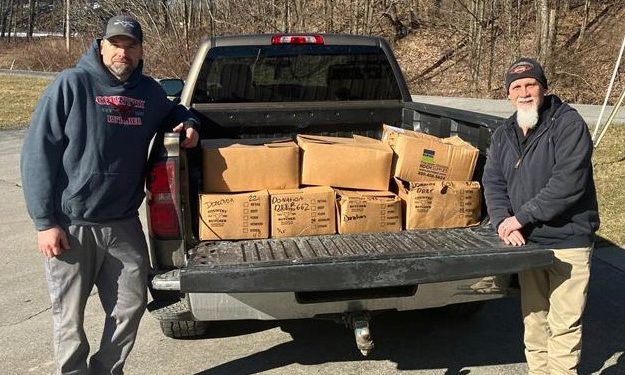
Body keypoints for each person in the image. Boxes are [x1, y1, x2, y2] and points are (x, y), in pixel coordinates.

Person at [20, 15, 199, 374]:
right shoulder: (71, 84)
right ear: (100, 45)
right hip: (71, 226)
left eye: (130, 45)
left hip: (122, 223)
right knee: (69, 318)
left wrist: (189, 123)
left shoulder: (147, 92)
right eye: (115, 44)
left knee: (130, 306)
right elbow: (38, 152)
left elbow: (175, 110)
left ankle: (106, 370)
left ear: (140, 50)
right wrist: (44, 222)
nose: (123, 52)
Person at [482, 58, 600, 374]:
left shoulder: (568, 124)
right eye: (516, 87)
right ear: (508, 94)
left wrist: (519, 217)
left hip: (567, 240)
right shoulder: (504, 132)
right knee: (534, 321)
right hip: (528, 244)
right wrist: (502, 222)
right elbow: (492, 180)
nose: (524, 92)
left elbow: (568, 183)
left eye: (531, 84)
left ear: (544, 88)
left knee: (563, 325)